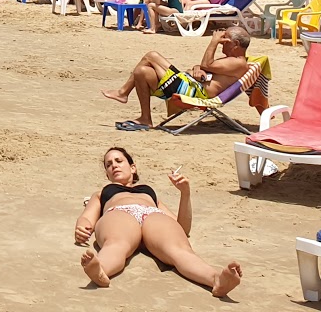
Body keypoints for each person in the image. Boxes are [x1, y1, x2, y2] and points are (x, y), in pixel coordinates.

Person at [74, 147, 242, 298]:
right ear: (107, 174)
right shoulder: (102, 192)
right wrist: (81, 226)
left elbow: (182, 228)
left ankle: (216, 280)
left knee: (178, 249)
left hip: (152, 215)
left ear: (133, 167)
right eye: (108, 164)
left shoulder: (149, 192)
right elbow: (87, 216)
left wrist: (185, 194)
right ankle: (101, 269)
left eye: (119, 161)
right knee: (117, 243)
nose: (114, 165)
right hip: (120, 213)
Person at [101, 27, 254, 127]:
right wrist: (197, 69)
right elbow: (204, 66)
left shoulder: (239, 64)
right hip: (190, 85)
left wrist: (213, 42)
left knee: (151, 55)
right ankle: (145, 118)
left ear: (235, 44)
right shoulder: (231, 61)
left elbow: (207, 64)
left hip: (195, 93)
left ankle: (123, 93)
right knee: (141, 71)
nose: (221, 44)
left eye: (224, 41)